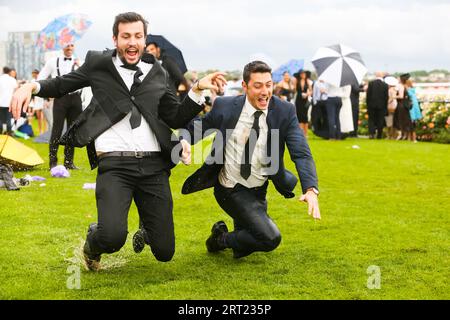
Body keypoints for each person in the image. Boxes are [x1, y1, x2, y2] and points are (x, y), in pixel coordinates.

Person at [10, 12, 226, 271]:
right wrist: (30, 87)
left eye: (138, 36)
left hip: (153, 166)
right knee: (112, 238)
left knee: (165, 251)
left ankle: (148, 226)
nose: (132, 42)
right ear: (115, 39)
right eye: (126, 36)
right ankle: (94, 239)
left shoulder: (157, 71)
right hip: (114, 164)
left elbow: (175, 116)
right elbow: (61, 84)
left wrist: (197, 90)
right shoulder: (98, 65)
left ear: (145, 40)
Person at [178, 61, 320, 259]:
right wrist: (184, 140)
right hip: (230, 187)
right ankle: (220, 239)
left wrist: (310, 189)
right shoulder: (225, 106)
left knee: (244, 246)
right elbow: (197, 128)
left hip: (259, 189)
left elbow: (301, 152)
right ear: (245, 87)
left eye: (268, 84)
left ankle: (220, 236)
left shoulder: (284, 111)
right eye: (258, 85)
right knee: (270, 238)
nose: (265, 91)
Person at [38, 42, 83, 169]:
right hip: (60, 98)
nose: (70, 48)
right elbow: (41, 78)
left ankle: (69, 162)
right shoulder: (53, 61)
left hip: (76, 98)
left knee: (72, 130)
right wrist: (47, 95)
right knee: (56, 130)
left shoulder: (80, 61)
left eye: (72, 45)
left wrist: (80, 66)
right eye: (67, 45)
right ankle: (53, 162)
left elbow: (88, 78)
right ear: (62, 47)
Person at [366, 72, 389, 139]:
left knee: (371, 119)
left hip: (372, 105)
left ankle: (371, 134)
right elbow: (386, 97)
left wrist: (368, 105)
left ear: (376, 76)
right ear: (382, 76)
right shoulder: (385, 85)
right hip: (381, 106)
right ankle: (379, 135)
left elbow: (368, 96)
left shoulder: (371, 83)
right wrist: (385, 106)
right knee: (380, 120)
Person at [393, 73, 413, 140]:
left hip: (401, 105)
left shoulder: (400, 86)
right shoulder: (405, 86)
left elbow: (401, 96)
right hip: (404, 105)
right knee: (405, 120)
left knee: (401, 120)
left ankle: (403, 135)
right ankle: (405, 135)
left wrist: (393, 96)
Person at [294, 70, 312, 137]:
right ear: (300, 74)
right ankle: (301, 133)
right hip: (298, 99)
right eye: (301, 74)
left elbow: (311, 91)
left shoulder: (308, 81)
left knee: (305, 116)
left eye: (304, 74)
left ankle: (306, 133)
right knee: (299, 115)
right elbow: (294, 90)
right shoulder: (296, 81)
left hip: (305, 100)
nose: (303, 75)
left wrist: (307, 94)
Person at [0, 67, 18, 134]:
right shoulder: (12, 79)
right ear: (9, 72)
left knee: (0, 118)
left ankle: (0, 131)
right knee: (8, 118)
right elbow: (16, 88)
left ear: (3, 71)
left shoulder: (0, 79)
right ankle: (9, 132)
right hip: (9, 102)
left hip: (1, 102)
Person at [29, 69, 47, 135]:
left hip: (42, 99)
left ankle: (45, 130)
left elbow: (46, 89)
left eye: (34, 73)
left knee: (44, 116)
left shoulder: (42, 79)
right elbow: (31, 92)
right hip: (36, 100)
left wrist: (46, 100)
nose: (33, 75)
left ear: (37, 74)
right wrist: (32, 100)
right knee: (39, 117)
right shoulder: (32, 81)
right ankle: (40, 131)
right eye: (32, 73)